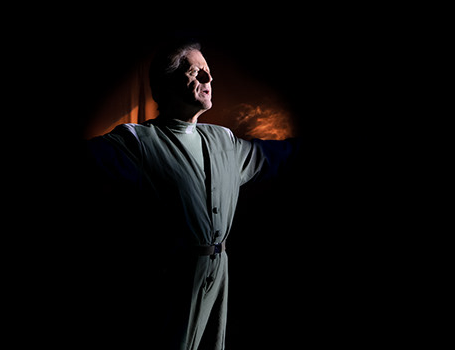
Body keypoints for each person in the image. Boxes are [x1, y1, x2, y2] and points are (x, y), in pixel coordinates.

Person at [85, 40, 299, 350]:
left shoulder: (224, 140)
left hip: (219, 273)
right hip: (171, 278)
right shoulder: (136, 142)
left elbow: (276, 155)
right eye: (195, 72)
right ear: (166, 83)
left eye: (208, 72)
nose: (208, 78)